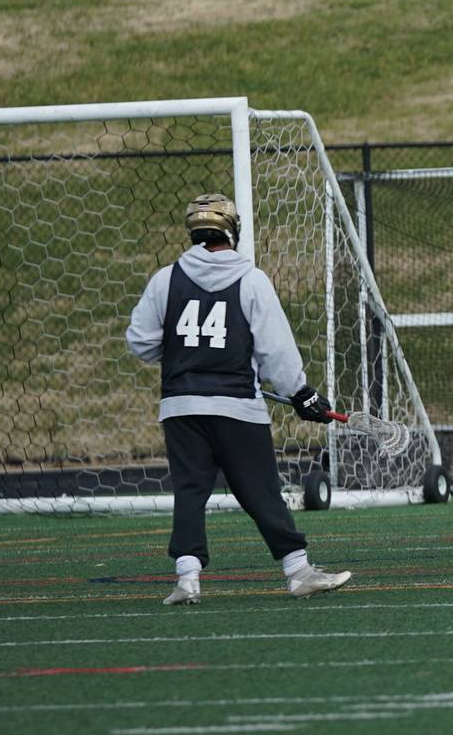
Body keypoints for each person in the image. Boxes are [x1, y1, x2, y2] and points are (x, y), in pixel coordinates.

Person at [125, 193, 353, 604]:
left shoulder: (165, 279)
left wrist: (181, 353)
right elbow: (275, 350)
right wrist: (300, 392)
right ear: (232, 231)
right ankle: (298, 571)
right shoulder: (251, 280)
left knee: (190, 491)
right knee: (260, 490)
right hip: (237, 408)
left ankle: (187, 578)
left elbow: (141, 342)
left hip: (180, 406)